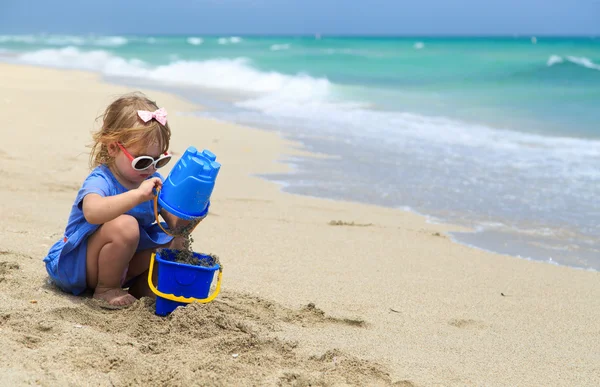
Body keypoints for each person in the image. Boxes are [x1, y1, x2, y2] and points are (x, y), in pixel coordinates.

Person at [43, 92, 197, 306]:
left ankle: (142, 288)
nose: (151, 168)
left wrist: (192, 212)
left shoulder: (153, 180)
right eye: (142, 161)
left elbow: (175, 224)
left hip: (121, 266)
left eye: (159, 160)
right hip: (76, 266)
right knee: (126, 225)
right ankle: (106, 289)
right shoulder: (102, 179)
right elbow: (93, 212)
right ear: (114, 148)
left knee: (173, 240)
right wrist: (136, 196)